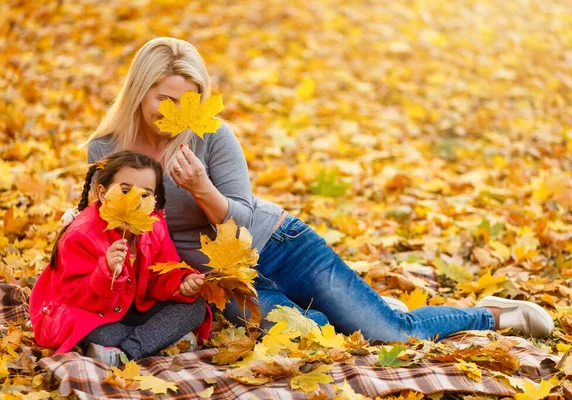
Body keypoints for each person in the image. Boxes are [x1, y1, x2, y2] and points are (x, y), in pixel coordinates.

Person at [83, 37, 554, 342]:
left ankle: (490, 316)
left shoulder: (210, 135)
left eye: (186, 100)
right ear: (139, 90)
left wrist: (202, 188)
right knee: (317, 334)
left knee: (389, 335)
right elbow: (102, 228)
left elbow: (242, 220)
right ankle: (356, 305)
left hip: (277, 245)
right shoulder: (106, 149)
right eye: (162, 97)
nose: (172, 111)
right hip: (220, 283)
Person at [30, 150, 212, 366]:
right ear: (103, 193)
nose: (134, 202)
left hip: (134, 306)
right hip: (91, 310)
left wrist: (181, 283)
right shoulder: (81, 235)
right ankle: (154, 343)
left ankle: (126, 350)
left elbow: (162, 273)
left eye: (145, 194)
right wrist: (104, 272)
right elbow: (75, 296)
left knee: (195, 307)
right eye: (125, 191)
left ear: (154, 198)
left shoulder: (152, 225)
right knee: (91, 330)